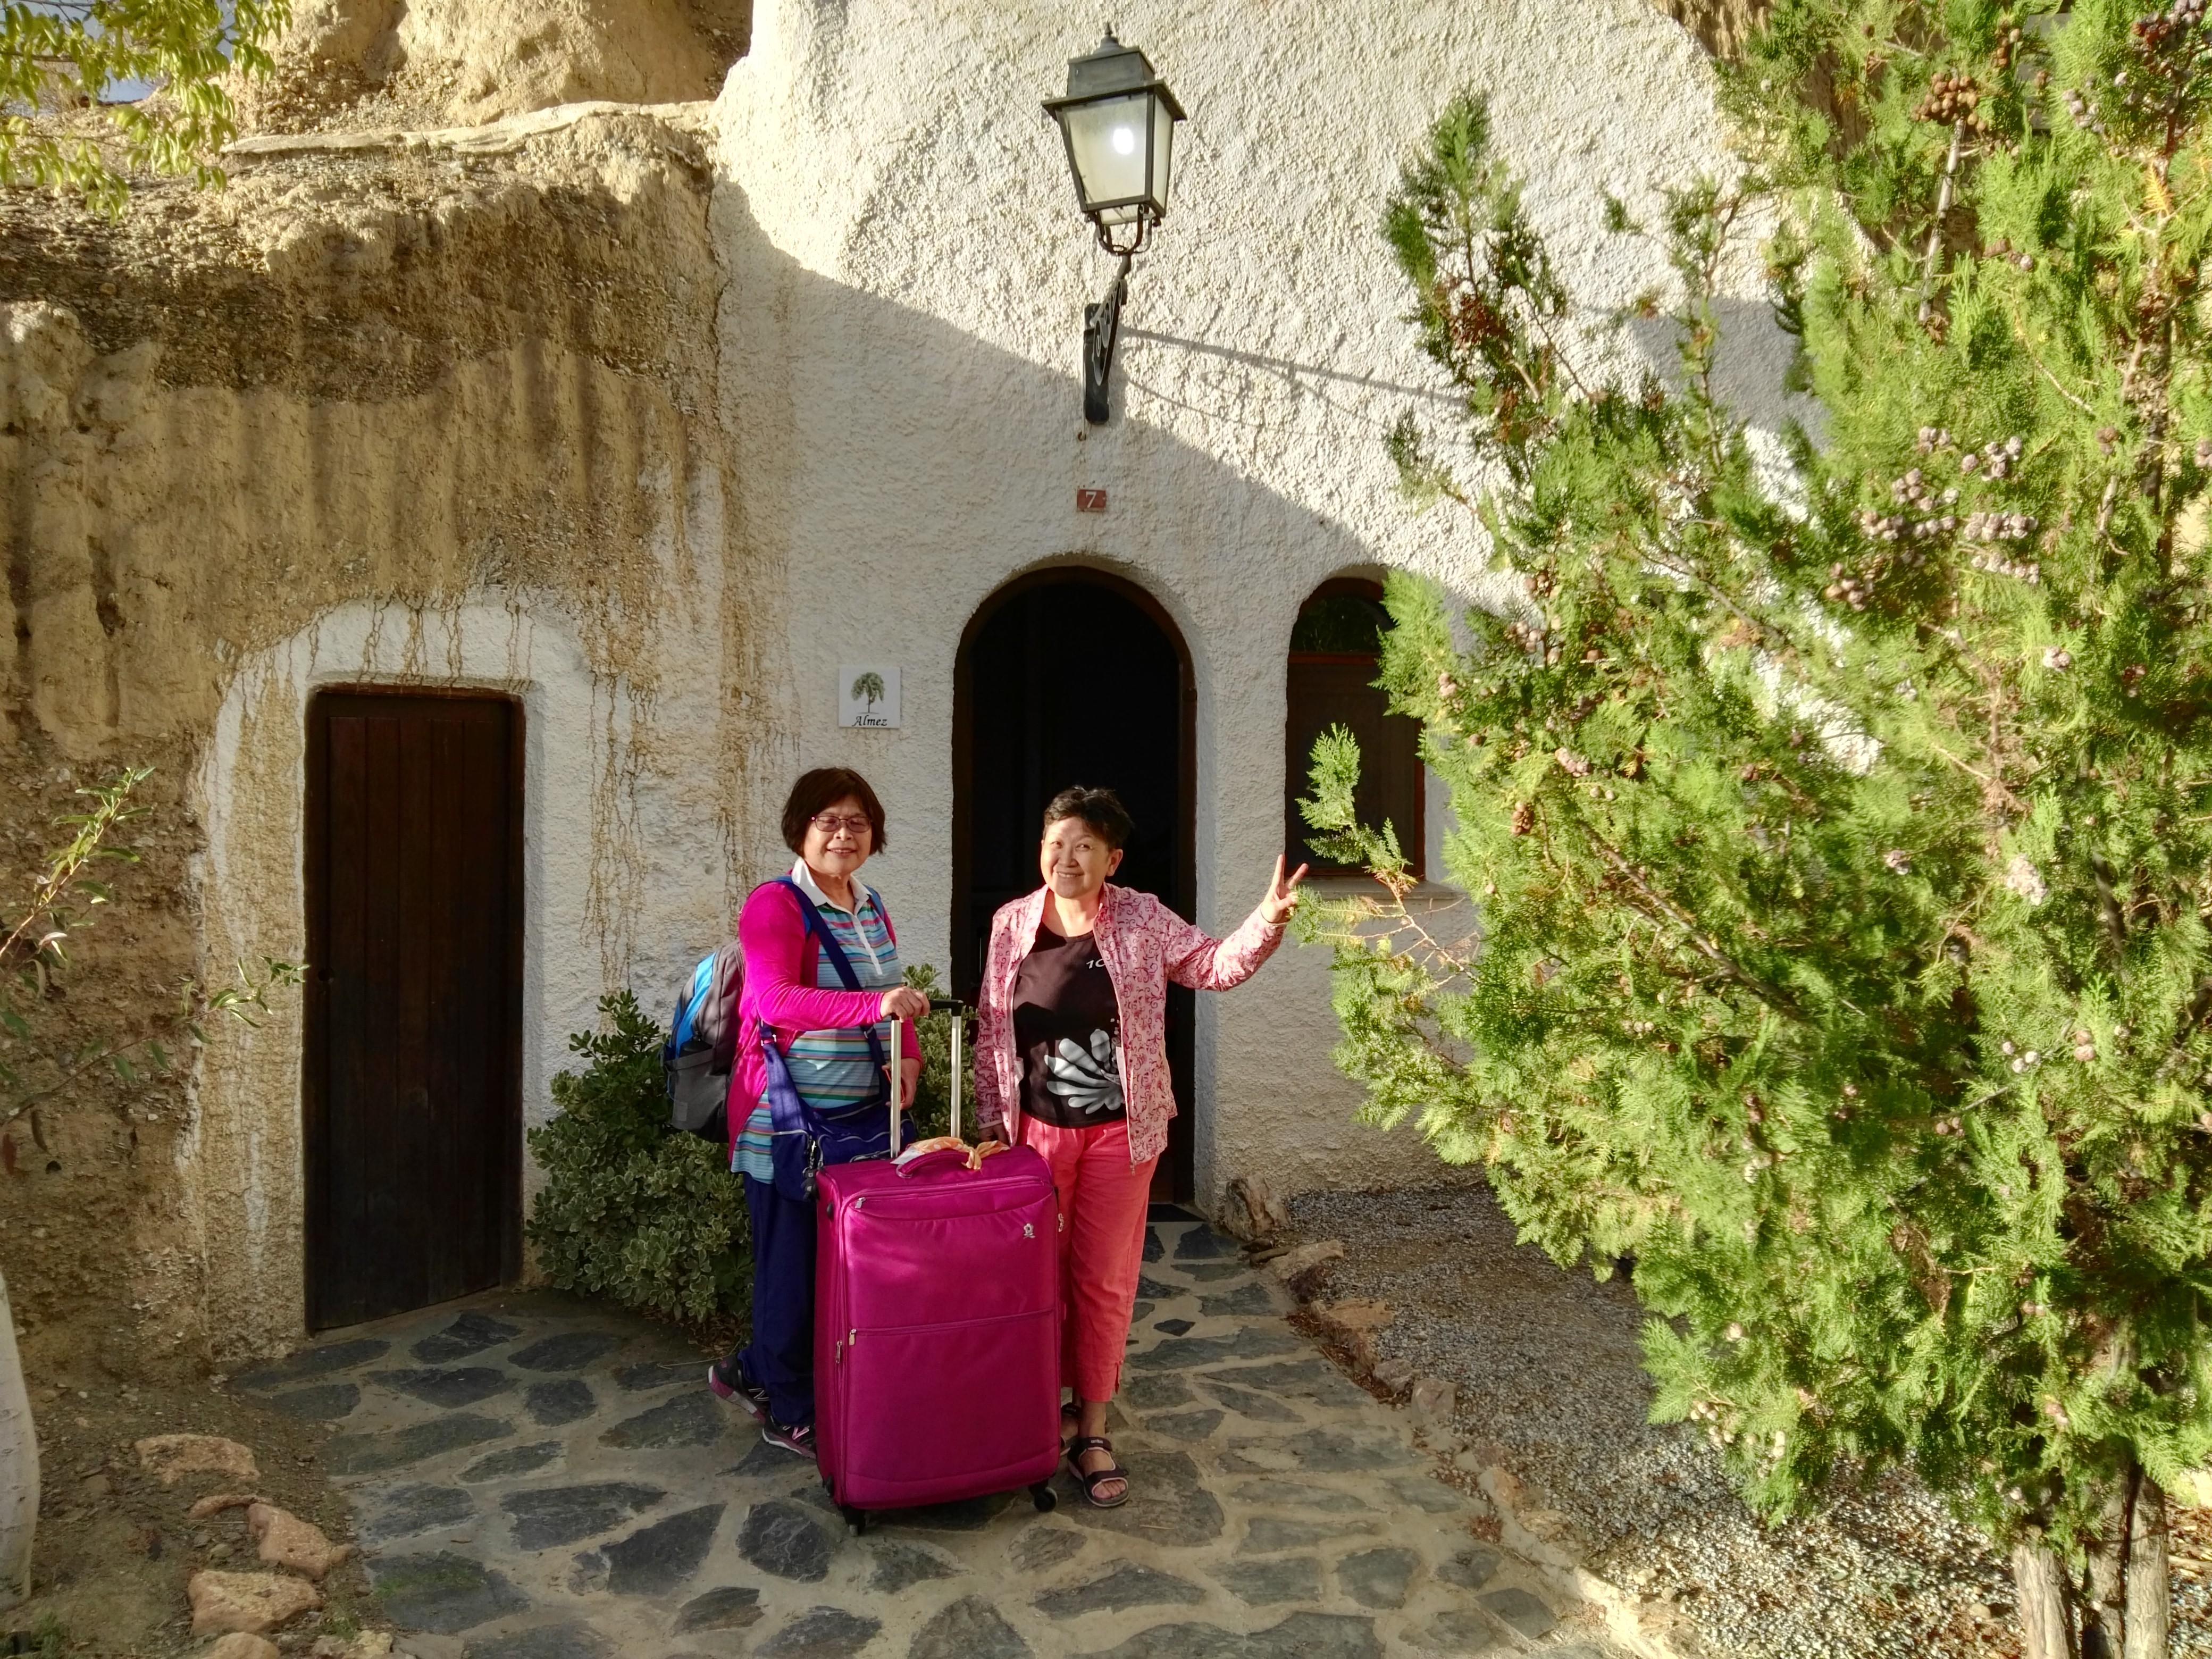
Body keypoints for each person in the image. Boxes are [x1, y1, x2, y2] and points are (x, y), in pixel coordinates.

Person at [974, 786, 1306, 1506]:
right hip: (1032, 1136)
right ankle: (1034, 1412)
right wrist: (988, 1130)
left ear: (1112, 858)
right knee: (1031, 1277)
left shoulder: (1141, 918)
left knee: (1102, 1281)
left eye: (1084, 847)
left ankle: (1091, 1426)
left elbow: (1215, 966)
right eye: (1055, 844)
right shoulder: (1011, 925)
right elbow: (991, 1033)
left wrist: (1268, 921)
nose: (1066, 859)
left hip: (1123, 1137)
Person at [707, 767, 928, 1456]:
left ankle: (751, 1370)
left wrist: (909, 1051)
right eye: (827, 820)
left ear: (875, 835)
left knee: (845, 1263)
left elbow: (892, 988)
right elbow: (773, 1001)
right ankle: (789, 1407)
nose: (842, 833)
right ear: (800, 830)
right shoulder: (775, 906)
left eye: (857, 822)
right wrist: (875, 1010)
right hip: (789, 1124)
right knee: (792, 1268)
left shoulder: (870, 905)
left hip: (863, 1119)